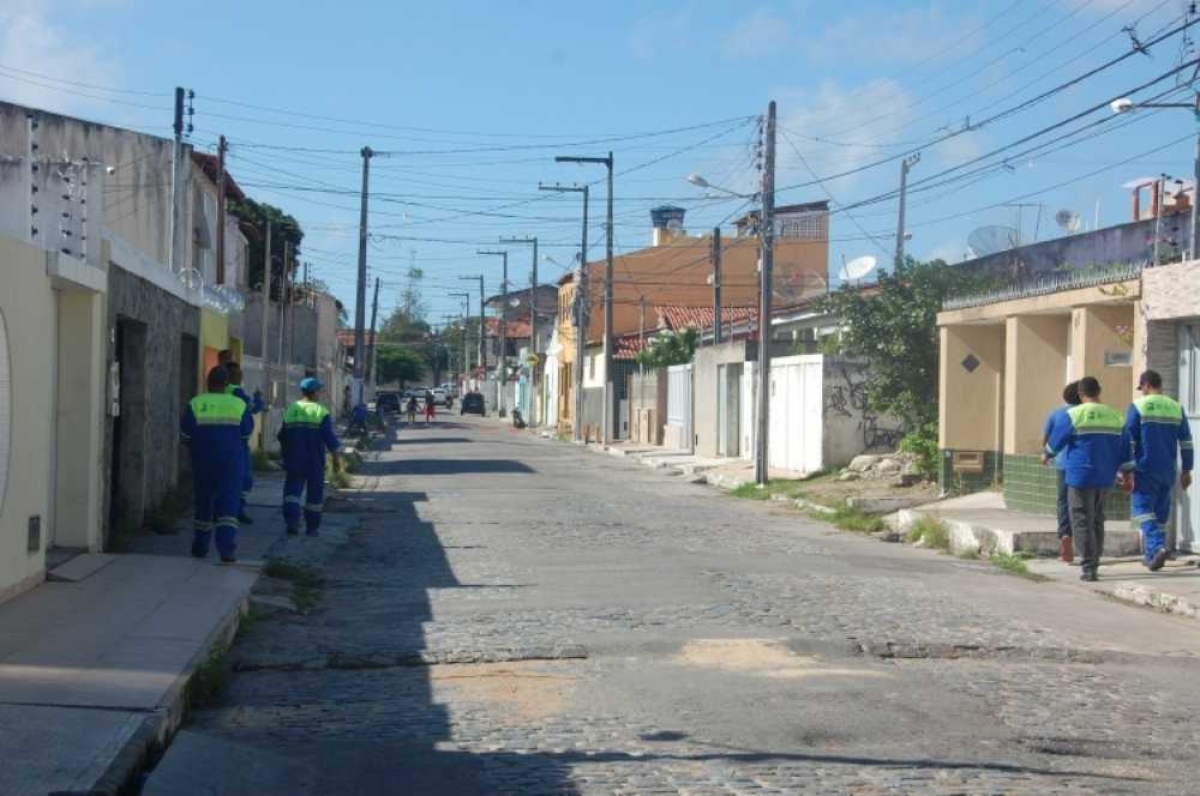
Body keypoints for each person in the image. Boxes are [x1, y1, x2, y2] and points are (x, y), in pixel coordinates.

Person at [1045, 376, 1135, 582]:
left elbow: (1056, 441)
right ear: (1098, 391)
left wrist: (1047, 454)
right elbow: (1126, 447)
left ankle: (1088, 566)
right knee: (1097, 518)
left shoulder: (1074, 414)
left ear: (1080, 394)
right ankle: (1094, 559)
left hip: (1080, 475)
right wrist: (1127, 473)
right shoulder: (1115, 415)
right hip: (1105, 476)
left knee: (1081, 518)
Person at [180, 366, 254, 563]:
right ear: (226, 384)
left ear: (207, 382)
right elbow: (246, 434)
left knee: (203, 504)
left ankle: (200, 547)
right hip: (230, 463)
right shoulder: (238, 404)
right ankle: (226, 551)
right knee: (228, 506)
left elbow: (185, 436)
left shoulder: (196, 403)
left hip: (202, 463)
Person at [1124, 370, 1194, 571]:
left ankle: (1158, 546)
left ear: (1145, 385)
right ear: (1160, 385)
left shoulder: (1138, 406)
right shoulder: (1176, 407)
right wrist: (1187, 469)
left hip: (1144, 468)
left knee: (1142, 510)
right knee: (1160, 515)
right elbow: (1186, 442)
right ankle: (1151, 556)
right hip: (1168, 470)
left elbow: (1129, 440)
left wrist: (1126, 469)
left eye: (1142, 388)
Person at [278, 377, 341, 537]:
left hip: (294, 459)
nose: (320, 393)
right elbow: (329, 438)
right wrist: (335, 459)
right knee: (314, 496)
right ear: (314, 392)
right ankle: (312, 529)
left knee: (292, 492)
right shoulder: (321, 411)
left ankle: (291, 523)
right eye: (319, 390)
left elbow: (282, 436)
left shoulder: (291, 409)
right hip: (315, 461)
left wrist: (284, 456)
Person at [1042, 381, 1081, 563]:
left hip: (1063, 465)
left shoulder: (1056, 414)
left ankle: (1065, 535)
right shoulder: (1085, 414)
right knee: (1084, 506)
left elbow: (1047, 440)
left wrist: (1047, 456)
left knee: (1063, 502)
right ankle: (1086, 545)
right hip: (1085, 466)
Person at [223, 362, 264, 525]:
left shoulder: (222, 391)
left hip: (222, 439)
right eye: (239, 374)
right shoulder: (237, 391)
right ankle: (237, 510)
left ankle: (218, 510)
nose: (241, 377)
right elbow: (254, 408)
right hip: (238, 442)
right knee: (244, 479)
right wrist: (258, 398)